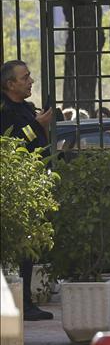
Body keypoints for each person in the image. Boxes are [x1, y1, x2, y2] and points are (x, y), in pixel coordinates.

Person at [0, 60, 54, 321]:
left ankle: (27, 301)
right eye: (25, 77)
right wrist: (37, 127)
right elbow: (10, 144)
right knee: (16, 247)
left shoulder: (26, 107)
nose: (31, 81)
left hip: (33, 185)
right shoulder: (4, 110)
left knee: (29, 246)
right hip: (13, 189)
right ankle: (19, 303)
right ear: (10, 84)